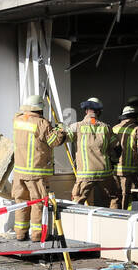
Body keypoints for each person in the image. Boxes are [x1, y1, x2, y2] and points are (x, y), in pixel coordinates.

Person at [10, 95, 66, 241]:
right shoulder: (42, 123)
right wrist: (60, 129)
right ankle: (36, 235)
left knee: (21, 202)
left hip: (19, 173)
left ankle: (20, 234)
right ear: (40, 109)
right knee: (37, 203)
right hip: (36, 173)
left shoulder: (17, 120)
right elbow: (54, 141)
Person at [64, 98, 118, 208]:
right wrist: (115, 161)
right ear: (99, 112)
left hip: (85, 174)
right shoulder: (106, 128)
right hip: (105, 172)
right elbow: (116, 147)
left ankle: (77, 223)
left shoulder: (76, 126)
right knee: (113, 199)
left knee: (77, 202)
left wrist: (60, 128)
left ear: (86, 111)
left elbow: (62, 138)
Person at [112, 104, 138, 210]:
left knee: (115, 197)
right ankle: (126, 220)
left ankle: (113, 219)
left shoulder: (114, 129)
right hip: (130, 172)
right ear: (135, 116)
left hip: (114, 171)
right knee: (129, 197)